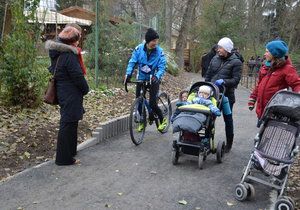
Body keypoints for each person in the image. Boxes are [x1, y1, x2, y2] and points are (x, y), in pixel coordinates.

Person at [46, 26, 89, 165]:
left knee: (71, 122)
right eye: (77, 40)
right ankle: (64, 158)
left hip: (64, 92)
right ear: (71, 41)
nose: (78, 42)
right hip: (70, 93)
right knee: (67, 123)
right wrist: (85, 89)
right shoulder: (69, 56)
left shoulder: (58, 53)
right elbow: (77, 77)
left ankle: (70, 152)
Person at [124, 28, 167, 132]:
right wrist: (128, 74)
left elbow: (162, 66)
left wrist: (157, 76)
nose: (155, 43)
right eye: (154, 41)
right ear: (148, 41)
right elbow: (132, 62)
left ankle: (162, 119)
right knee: (139, 100)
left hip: (153, 79)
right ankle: (142, 121)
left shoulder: (159, 52)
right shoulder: (138, 49)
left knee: (152, 103)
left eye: (157, 41)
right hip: (141, 78)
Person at [248, 40, 300, 125]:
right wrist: (253, 98)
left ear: (275, 54)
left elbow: (297, 84)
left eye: (267, 52)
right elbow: (259, 85)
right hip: (262, 110)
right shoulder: (266, 67)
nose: (264, 54)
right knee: (261, 134)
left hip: (275, 112)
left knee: (271, 135)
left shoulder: (287, 69)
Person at [205, 37, 243, 153]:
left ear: (227, 49)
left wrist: (224, 82)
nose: (218, 49)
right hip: (213, 95)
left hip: (227, 96)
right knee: (208, 119)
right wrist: (205, 87)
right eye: (218, 47)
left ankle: (229, 144)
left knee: (228, 120)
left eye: (220, 47)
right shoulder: (215, 58)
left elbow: (236, 80)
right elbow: (208, 75)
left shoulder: (236, 62)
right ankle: (206, 141)